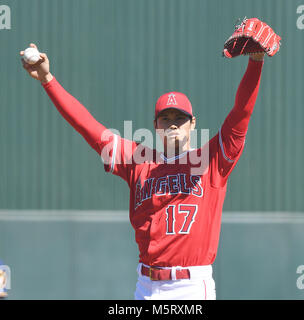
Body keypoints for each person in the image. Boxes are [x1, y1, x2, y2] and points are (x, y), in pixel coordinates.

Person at [20, 43, 265, 300]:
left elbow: (241, 114)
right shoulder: (139, 161)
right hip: (146, 285)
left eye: (179, 118)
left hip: (191, 287)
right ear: (155, 125)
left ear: (193, 123)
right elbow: (88, 127)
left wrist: (256, 62)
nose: (173, 124)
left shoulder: (212, 160)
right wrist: (48, 79)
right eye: (165, 118)